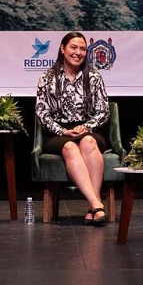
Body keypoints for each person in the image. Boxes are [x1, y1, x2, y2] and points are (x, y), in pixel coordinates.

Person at [34, 31, 111, 226]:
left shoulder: (93, 76)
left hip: (87, 129)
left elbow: (103, 112)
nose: (78, 52)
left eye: (83, 49)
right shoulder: (47, 77)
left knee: (88, 142)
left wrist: (87, 126)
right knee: (69, 147)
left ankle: (92, 208)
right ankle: (96, 203)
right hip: (57, 133)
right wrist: (63, 131)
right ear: (62, 49)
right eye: (73, 48)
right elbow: (42, 113)